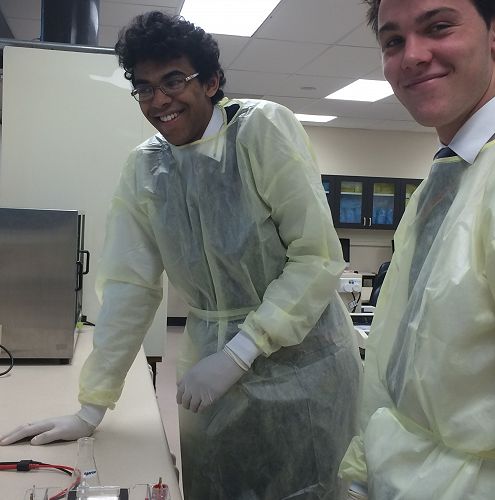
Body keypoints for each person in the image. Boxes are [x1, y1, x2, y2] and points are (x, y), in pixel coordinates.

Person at [0, 12, 362, 500]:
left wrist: (240, 350)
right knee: (216, 486)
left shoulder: (261, 131)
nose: (159, 100)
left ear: (211, 81)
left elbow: (316, 258)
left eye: (173, 80)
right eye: (144, 88)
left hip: (306, 369)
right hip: (208, 371)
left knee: (307, 486)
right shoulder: (147, 166)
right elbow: (131, 285)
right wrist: (91, 409)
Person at [339, 0, 495, 498]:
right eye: (393, 41)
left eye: (438, 27)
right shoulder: (449, 173)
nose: (411, 56)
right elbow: (396, 351)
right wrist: (365, 467)